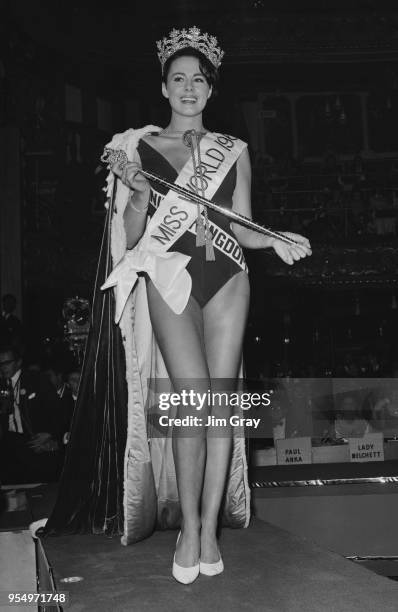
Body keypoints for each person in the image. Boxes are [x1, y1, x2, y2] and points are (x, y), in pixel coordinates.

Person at [44, 27, 311, 584]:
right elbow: (134, 232)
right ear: (164, 88)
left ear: (211, 91)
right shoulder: (135, 148)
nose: (189, 89)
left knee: (218, 402)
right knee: (191, 401)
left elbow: (242, 223)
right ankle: (188, 526)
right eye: (179, 79)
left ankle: (208, 528)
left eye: (200, 80)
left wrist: (276, 238)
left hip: (228, 277)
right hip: (170, 277)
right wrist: (139, 196)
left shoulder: (232, 150)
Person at [0, 345, 62, 484]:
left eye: (6, 363)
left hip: (35, 442)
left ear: (18, 362)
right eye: (0, 364)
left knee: (39, 487)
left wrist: (51, 433)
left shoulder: (36, 379)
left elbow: (57, 409)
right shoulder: (2, 384)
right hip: (10, 444)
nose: (3, 367)